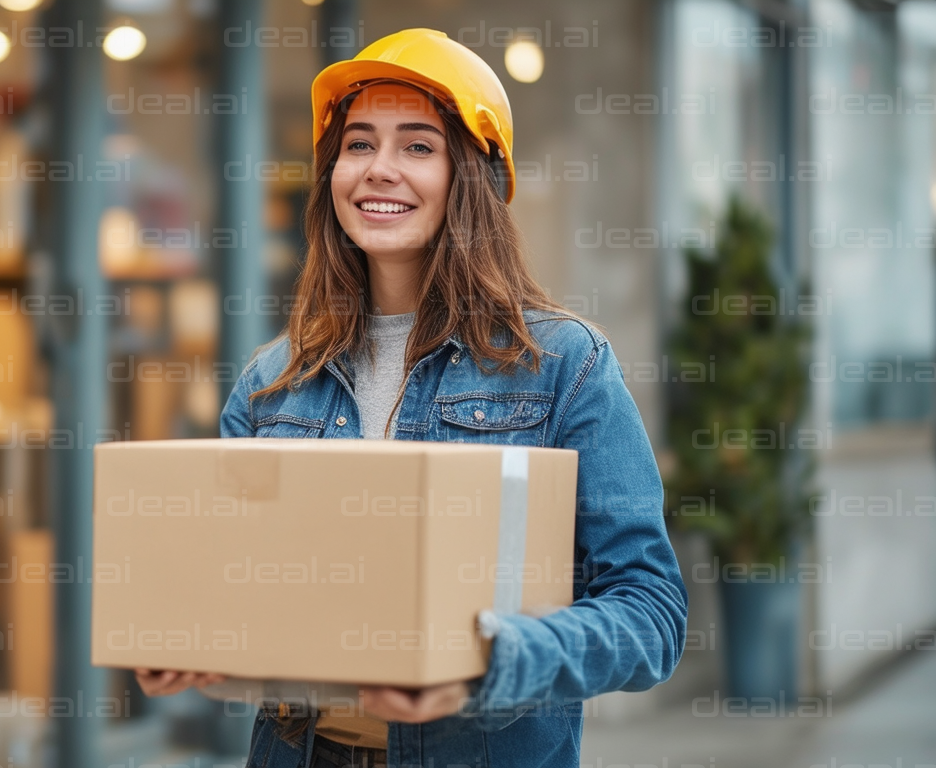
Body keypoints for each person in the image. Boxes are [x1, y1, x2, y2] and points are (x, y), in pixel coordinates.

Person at [135, 28, 688, 768]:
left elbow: (652, 615)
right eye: (358, 145)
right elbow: (242, 587)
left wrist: (488, 658)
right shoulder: (274, 380)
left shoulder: (563, 366)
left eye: (418, 147)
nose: (378, 171)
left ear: (474, 178)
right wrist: (192, 634)